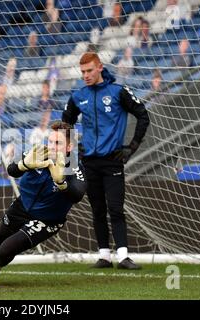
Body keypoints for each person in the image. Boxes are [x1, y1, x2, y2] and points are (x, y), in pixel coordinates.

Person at [0, 121, 86, 287]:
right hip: (23, 205)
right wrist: (24, 164)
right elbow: (12, 170)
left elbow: (77, 195)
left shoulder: (75, 167)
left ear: (69, 147)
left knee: (7, 247)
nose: (52, 146)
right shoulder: (38, 153)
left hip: (48, 219)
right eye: (50, 141)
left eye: (58, 143)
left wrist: (62, 183)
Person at [62, 52, 150, 269]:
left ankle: (123, 256)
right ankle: (104, 256)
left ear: (100, 67)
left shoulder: (118, 92)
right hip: (89, 163)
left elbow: (143, 114)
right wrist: (73, 145)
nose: (85, 75)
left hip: (112, 161)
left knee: (116, 208)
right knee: (97, 209)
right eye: (82, 72)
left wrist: (132, 147)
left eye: (89, 70)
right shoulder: (78, 97)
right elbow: (66, 122)